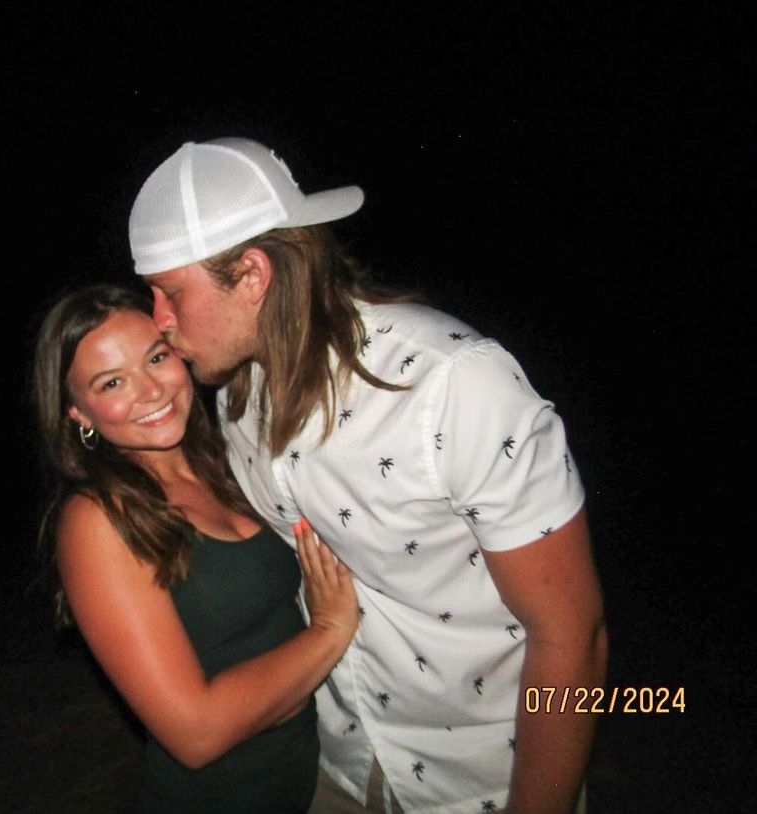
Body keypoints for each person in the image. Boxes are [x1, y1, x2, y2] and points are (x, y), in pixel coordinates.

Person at [127, 137, 608, 814]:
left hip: (487, 781)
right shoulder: (237, 396)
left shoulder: (453, 387)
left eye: (171, 292)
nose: (159, 321)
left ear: (253, 275)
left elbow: (572, 635)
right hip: (335, 767)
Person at [31, 284, 360, 813]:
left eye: (156, 358)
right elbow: (196, 733)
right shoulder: (97, 520)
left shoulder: (229, 462)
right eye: (112, 382)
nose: (151, 390)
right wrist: (329, 631)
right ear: (79, 414)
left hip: (312, 780)